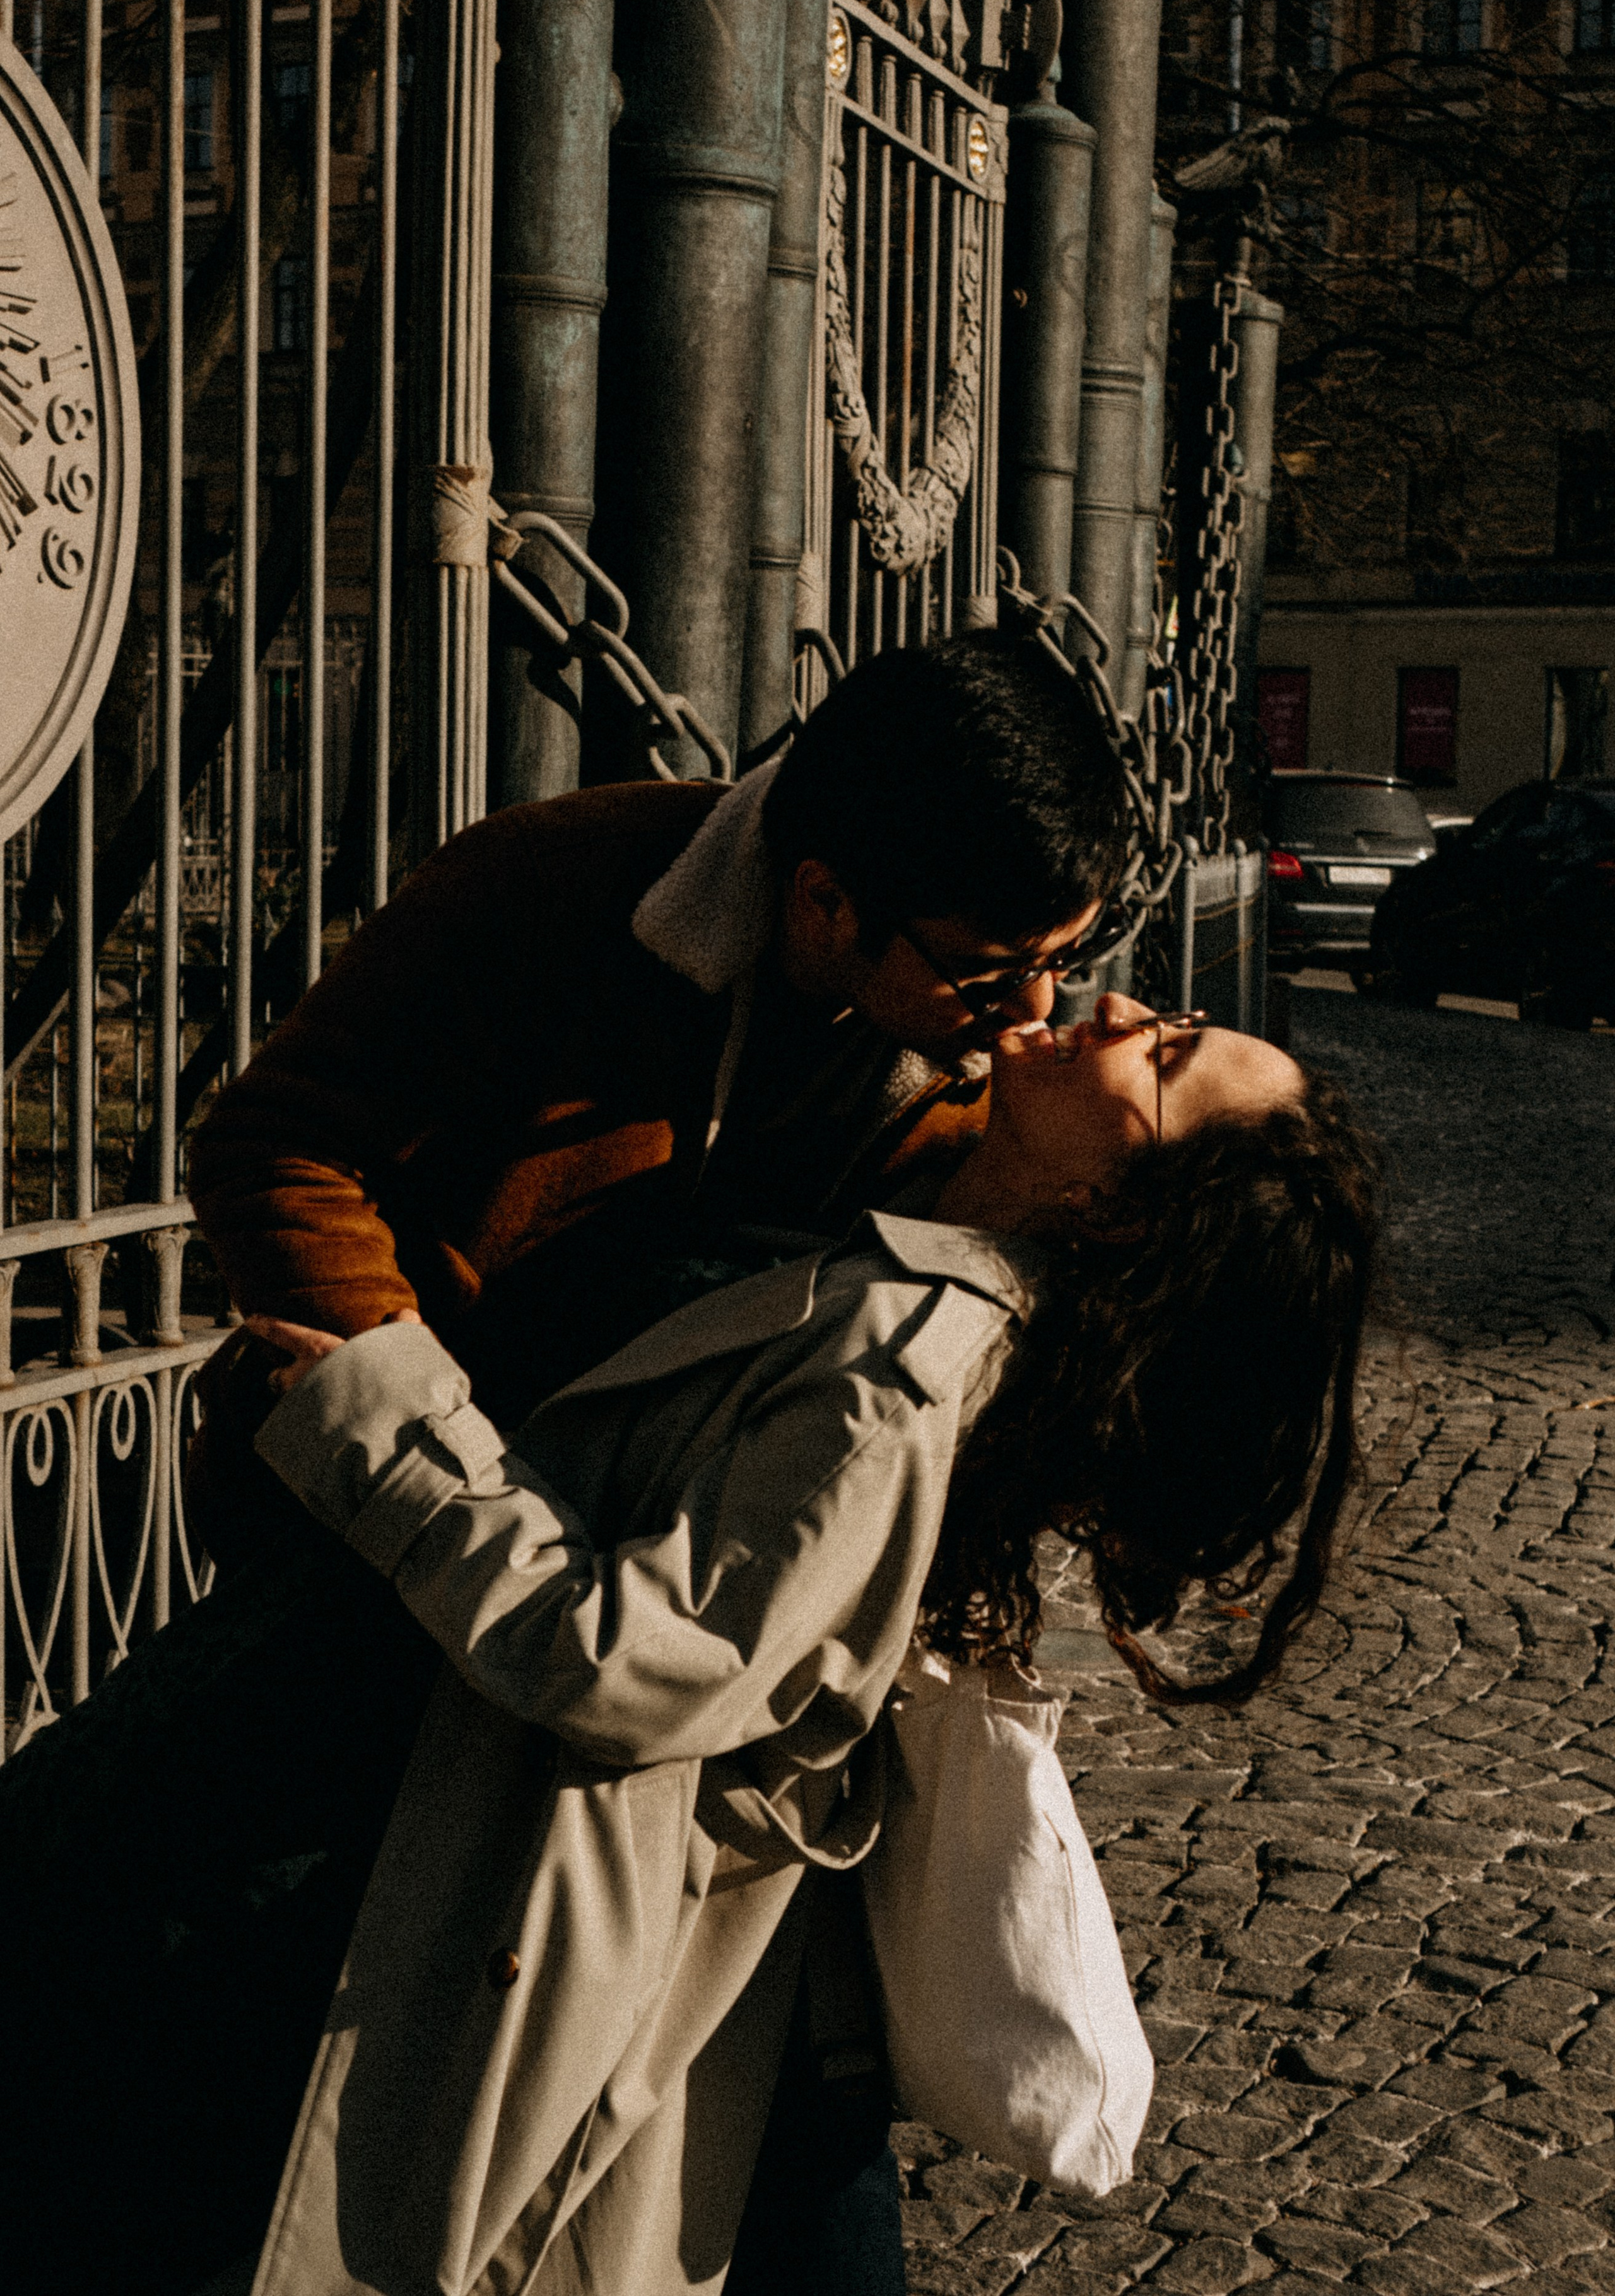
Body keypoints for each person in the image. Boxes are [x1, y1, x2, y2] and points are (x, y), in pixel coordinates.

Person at [175, 627, 1134, 2296]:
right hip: (395, 1618)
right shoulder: (551, 893)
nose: (1027, 1017)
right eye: (989, 976)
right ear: (825, 902)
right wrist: (400, 1418)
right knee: (314, 2105)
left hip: (687, 1689)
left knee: (757, 2136)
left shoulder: (969, 1064)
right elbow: (280, 1138)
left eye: (1067, 960)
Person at [206, 995, 1381, 2296]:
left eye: (1159, 1059)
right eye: (1171, 1019)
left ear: (1112, 1205)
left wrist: (379, 1419)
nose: (1117, 1008)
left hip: (527, 1888)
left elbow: (632, 1663)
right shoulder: (890, 1222)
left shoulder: (904, 1359)